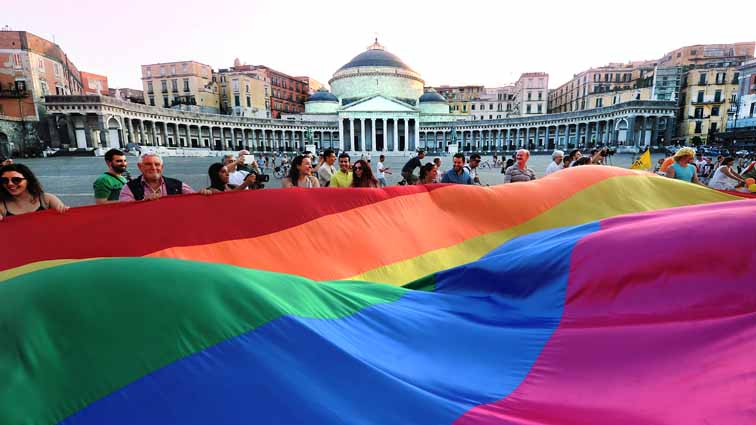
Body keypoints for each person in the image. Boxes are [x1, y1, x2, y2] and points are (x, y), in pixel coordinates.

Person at [1, 163, 68, 220]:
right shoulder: (1, 206)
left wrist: (66, 211)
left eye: (16, 180)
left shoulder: (47, 199)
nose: (10, 184)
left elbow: (64, 220)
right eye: (4, 180)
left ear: (28, 181)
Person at [119, 153, 196, 201]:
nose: (153, 167)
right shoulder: (129, 187)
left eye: (157, 164)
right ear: (140, 167)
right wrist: (143, 202)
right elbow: (126, 209)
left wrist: (205, 193)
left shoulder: (177, 185)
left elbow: (195, 198)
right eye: (148, 164)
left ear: (162, 167)